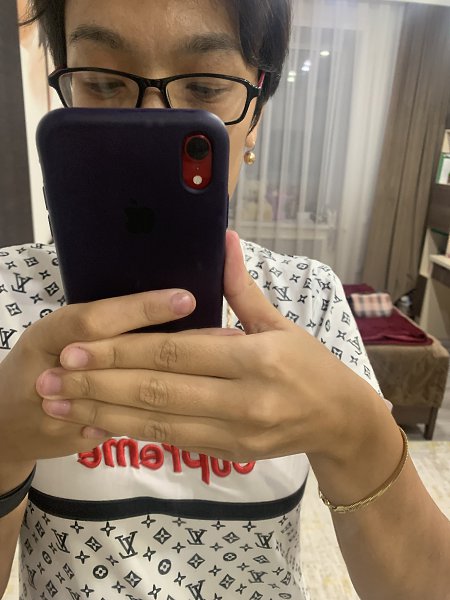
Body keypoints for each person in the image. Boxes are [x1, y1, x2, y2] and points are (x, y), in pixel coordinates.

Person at [0, 1, 449, 599]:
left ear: (255, 113)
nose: (152, 123)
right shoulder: (7, 293)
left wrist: (356, 433)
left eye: (206, 86)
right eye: (104, 82)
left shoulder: (307, 298)